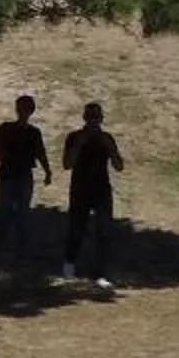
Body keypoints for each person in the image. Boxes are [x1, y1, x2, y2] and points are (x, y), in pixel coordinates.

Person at [0, 97, 53, 258]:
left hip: (21, 176)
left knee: (20, 212)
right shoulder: (8, 129)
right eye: (22, 108)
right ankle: (4, 242)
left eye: (26, 108)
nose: (23, 112)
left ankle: (17, 244)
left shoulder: (31, 132)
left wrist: (47, 171)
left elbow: (41, 154)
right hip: (8, 176)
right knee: (6, 210)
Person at [60, 102, 125, 290]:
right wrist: (81, 143)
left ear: (101, 119)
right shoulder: (74, 137)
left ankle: (101, 273)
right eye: (90, 117)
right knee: (76, 227)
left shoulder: (107, 138)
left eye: (97, 117)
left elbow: (119, 166)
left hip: (101, 190)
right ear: (84, 118)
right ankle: (69, 264)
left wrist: (110, 149)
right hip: (80, 189)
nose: (94, 122)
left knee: (104, 231)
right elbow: (67, 164)